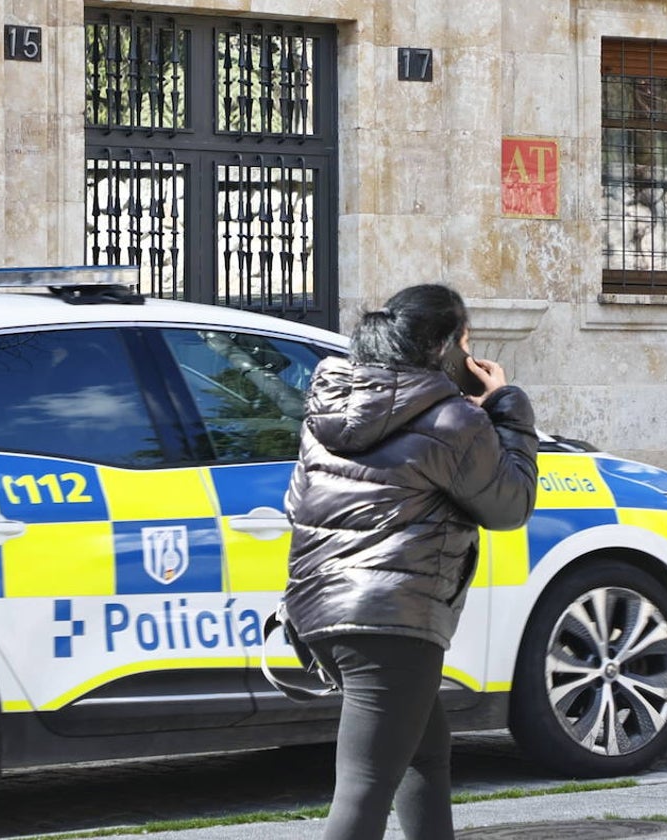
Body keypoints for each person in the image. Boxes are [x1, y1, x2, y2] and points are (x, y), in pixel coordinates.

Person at [282, 283, 540, 840]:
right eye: (467, 343)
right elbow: (511, 505)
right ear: (449, 347)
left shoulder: (329, 408)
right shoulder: (453, 421)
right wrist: (508, 408)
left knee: (424, 753)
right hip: (389, 618)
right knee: (366, 783)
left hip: (319, 609)